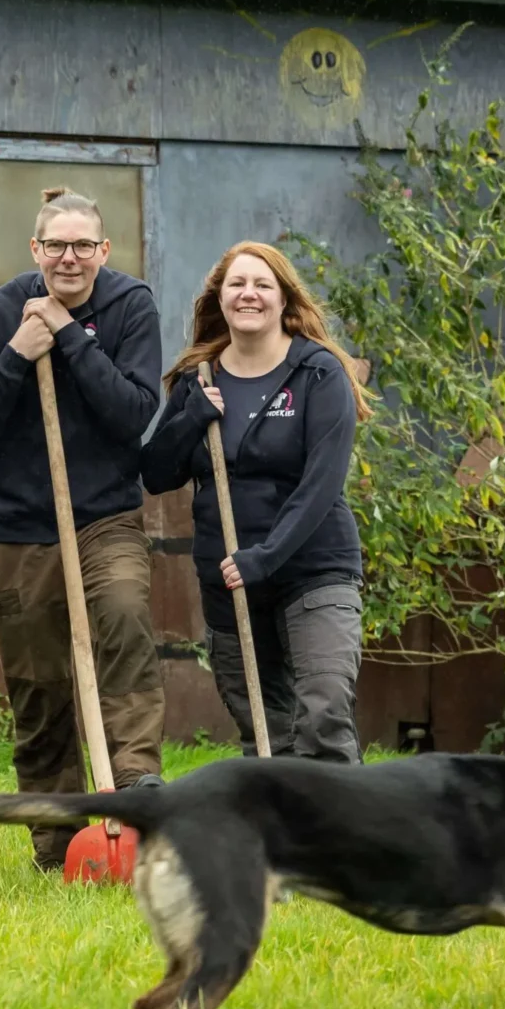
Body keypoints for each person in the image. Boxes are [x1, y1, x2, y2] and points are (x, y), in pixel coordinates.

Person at [0, 187, 165, 871]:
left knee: (122, 617)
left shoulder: (129, 308)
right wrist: (17, 354)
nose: (70, 257)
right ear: (35, 250)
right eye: (56, 246)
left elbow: (133, 415)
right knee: (38, 683)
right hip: (20, 526)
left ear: (104, 251)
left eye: (83, 246)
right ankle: (56, 840)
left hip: (105, 517)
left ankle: (137, 792)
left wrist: (68, 336)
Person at [141, 242, 374, 762]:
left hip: (315, 569)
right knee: (266, 735)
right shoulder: (197, 379)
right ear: (219, 299)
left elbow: (322, 483)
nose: (249, 294)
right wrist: (190, 417)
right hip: (228, 578)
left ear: (283, 299)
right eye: (237, 284)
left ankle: (346, 840)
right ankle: (281, 841)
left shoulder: (318, 373)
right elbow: (156, 473)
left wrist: (265, 556)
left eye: (262, 284)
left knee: (324, 715)